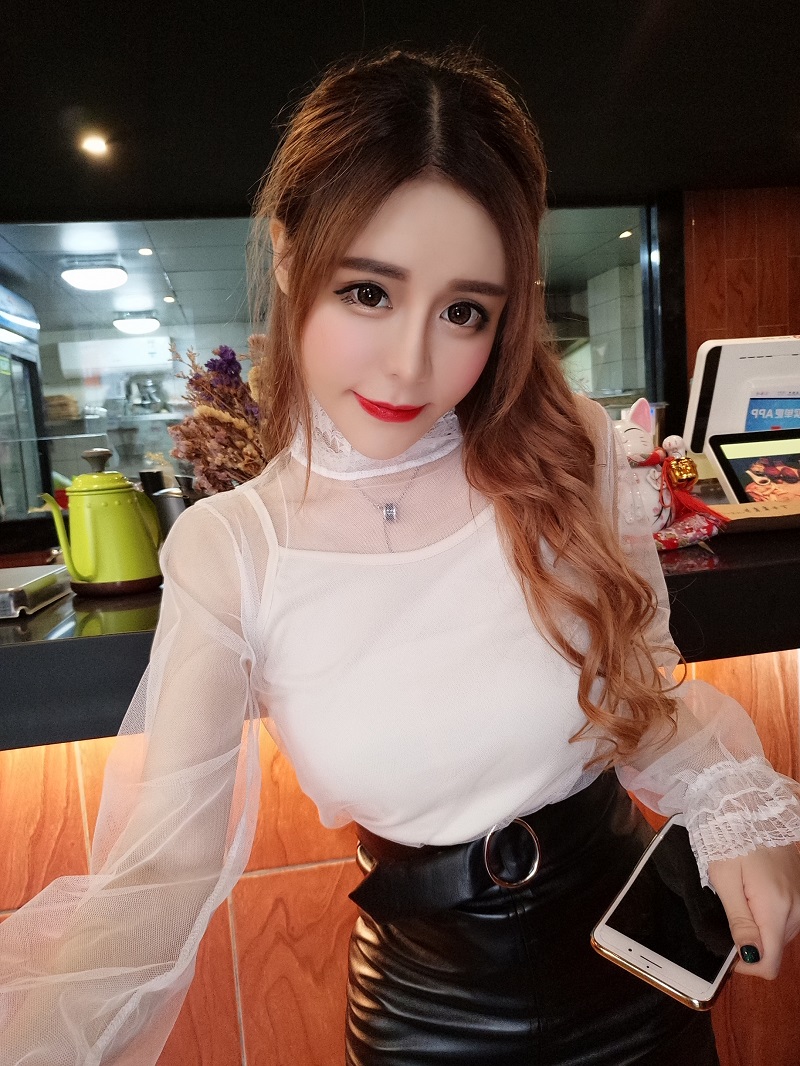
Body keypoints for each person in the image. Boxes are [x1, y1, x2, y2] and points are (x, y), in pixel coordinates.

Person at [2, 47, 800, 1066]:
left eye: (464, 311)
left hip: (629, 973)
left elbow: (647, 701)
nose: (411, 364)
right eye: (368, 292)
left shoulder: (571, 455)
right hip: (426, 1013)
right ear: (289, 255)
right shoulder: (232, 546)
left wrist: (734, 807)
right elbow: (162, 871)